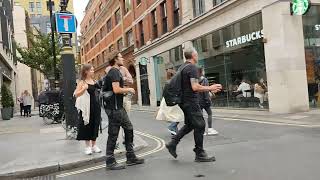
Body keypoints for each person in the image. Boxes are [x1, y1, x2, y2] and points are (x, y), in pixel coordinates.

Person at [165, 47, 222, 162]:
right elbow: (195, 87)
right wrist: (210, 88)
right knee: (200, 125)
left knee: (191, 125)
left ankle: (173, 143)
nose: (198, 56)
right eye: (196, 54)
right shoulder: (192, 68)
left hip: (184, 102)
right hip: (190, 102)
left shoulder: (182, 67)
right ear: (193, 56)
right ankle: (199, 153)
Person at [103, 52, 144, 170]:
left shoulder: (115, 71)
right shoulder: (114, 71)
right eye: (121, 57)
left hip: (118, 107)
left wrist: (125, 89)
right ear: (115, 59)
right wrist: (129, 89)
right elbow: (116, 89)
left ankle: (130, 156)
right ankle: (110, 161)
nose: (123, 59)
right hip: (114, 108)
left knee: (129, 128)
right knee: (113, 134)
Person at [74, 64, 102, 155]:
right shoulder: (82, 82)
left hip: (96, 106)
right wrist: (83, 89)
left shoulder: (94, 81)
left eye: (93, 70)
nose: (93, 71)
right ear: (86, 71)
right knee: (87, 126)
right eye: (91, 70)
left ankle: (94, 145)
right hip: (86, 108)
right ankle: (88, 147)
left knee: (95, 125)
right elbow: (76, 94)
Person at [198, 68, 218, 135]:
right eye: (203, 70)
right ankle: (210, 129)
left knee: (201, 116)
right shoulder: (204, 79)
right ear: (202, 72)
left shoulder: (195, 80)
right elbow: (206, 91)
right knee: (209, 113)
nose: (204, 71)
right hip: (204, 100)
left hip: (198, 101)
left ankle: (202, 131)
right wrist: (208, 100)